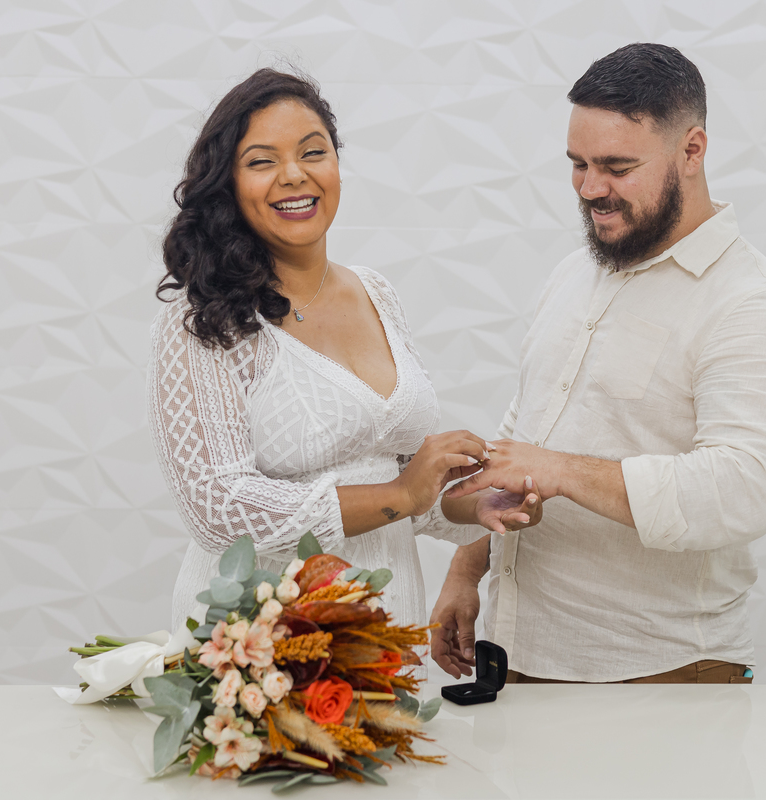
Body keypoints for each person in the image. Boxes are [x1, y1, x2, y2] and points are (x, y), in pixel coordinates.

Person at [430, 43, 766, 683]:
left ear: (692, 151)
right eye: (578, 164)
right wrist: (466, 568)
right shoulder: (574, 272)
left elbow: (741, 490)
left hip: (659, 675)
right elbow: (527, 435)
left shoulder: (753, 305)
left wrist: (560, 470)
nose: (591, 189)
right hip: (521, 659)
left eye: (617, 166)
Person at [148, 68, 541, 632]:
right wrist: (400, 493)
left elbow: (403, 480)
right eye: (262, 161)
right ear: (227, 184)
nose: (294, 175)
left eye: (313, 152)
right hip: (262, 638)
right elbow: (218, 510)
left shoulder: (376, 292)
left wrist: (472, 505)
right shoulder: (204, 320)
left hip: (385, 629)